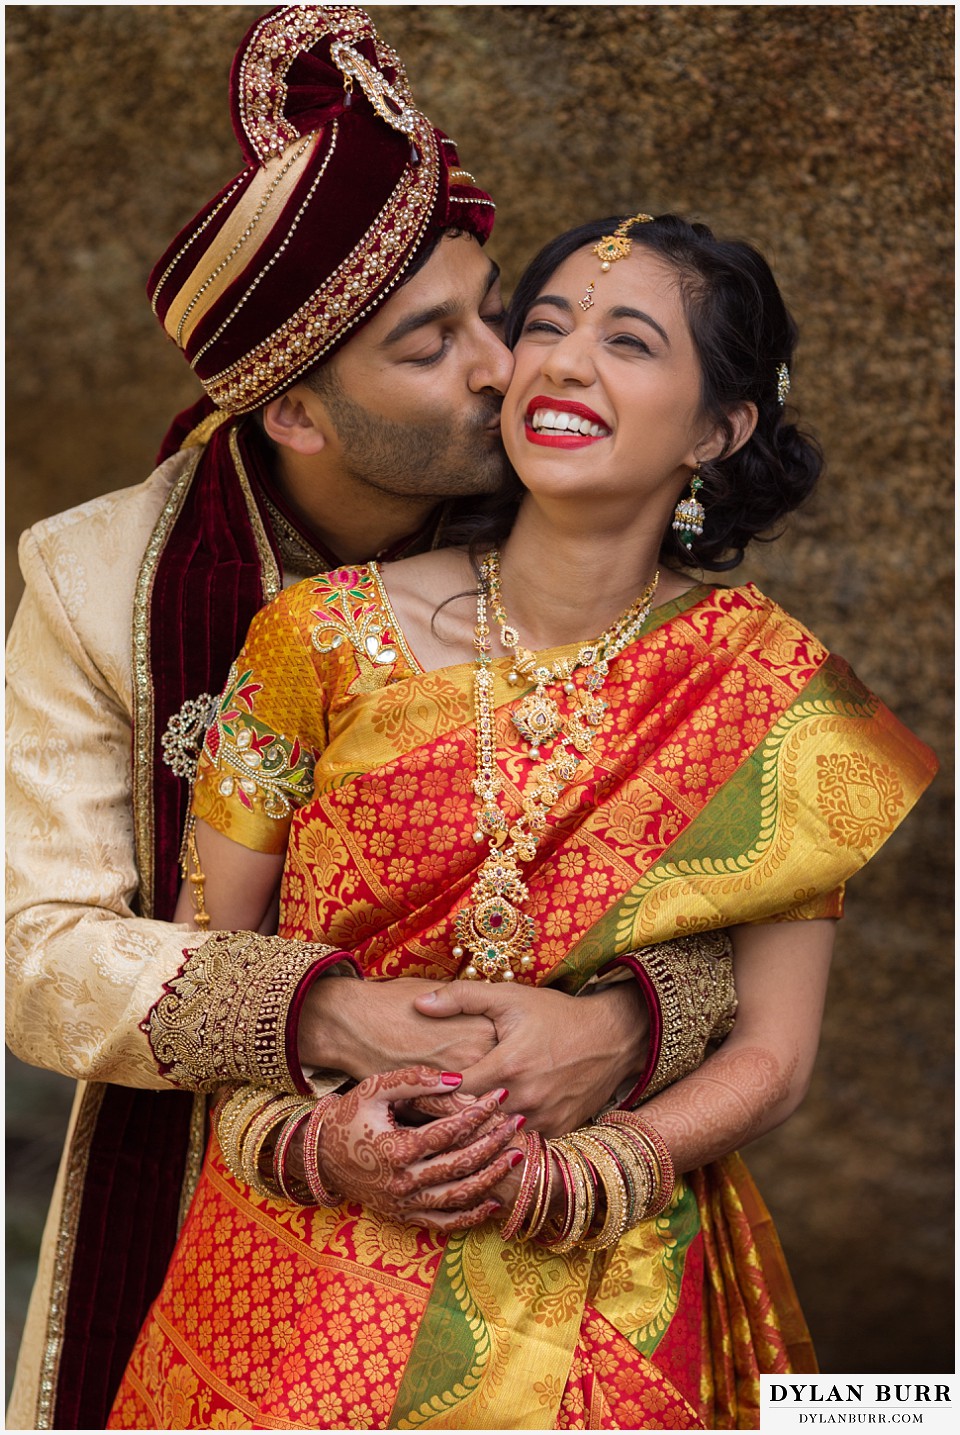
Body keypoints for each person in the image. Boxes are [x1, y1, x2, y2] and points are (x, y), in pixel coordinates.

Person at [4, 10, 734, 1428]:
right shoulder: (99, 583)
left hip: (569, 1203)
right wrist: (325, 1015)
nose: (503, 363)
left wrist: (619, 1034)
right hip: (223, 1186)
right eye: (429, 344)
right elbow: (30, 944)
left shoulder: (593, 526)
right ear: (295, 415)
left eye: (492, 307)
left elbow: (733, 886)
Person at [107, 211, 935, 1429]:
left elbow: (776, 1053)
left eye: (630, 342)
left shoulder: (765, 689)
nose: (559, 361)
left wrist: (584, 1176)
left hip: (604, 1280)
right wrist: (312, 1142)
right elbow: (204, 962)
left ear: (720, 429)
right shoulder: (322, 635)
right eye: (542, 324)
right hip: (303, 1264)